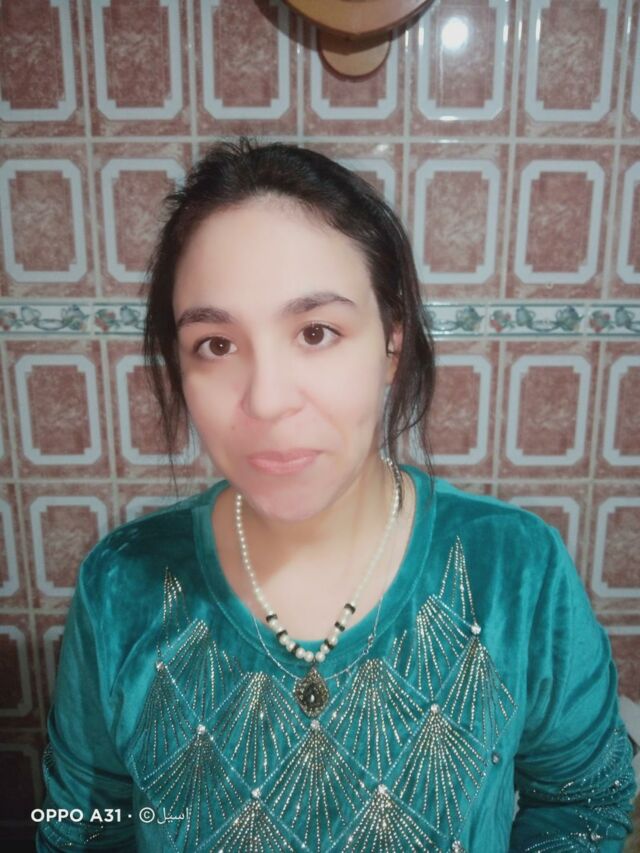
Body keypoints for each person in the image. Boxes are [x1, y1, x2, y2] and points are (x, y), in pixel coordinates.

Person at [36, 138, 636, 852]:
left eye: (316, 332)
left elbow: (584, 802)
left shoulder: (516, 569)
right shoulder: (119, 585)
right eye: (216, 344)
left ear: (391, 344)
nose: (266, 400)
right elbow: (79, 823)